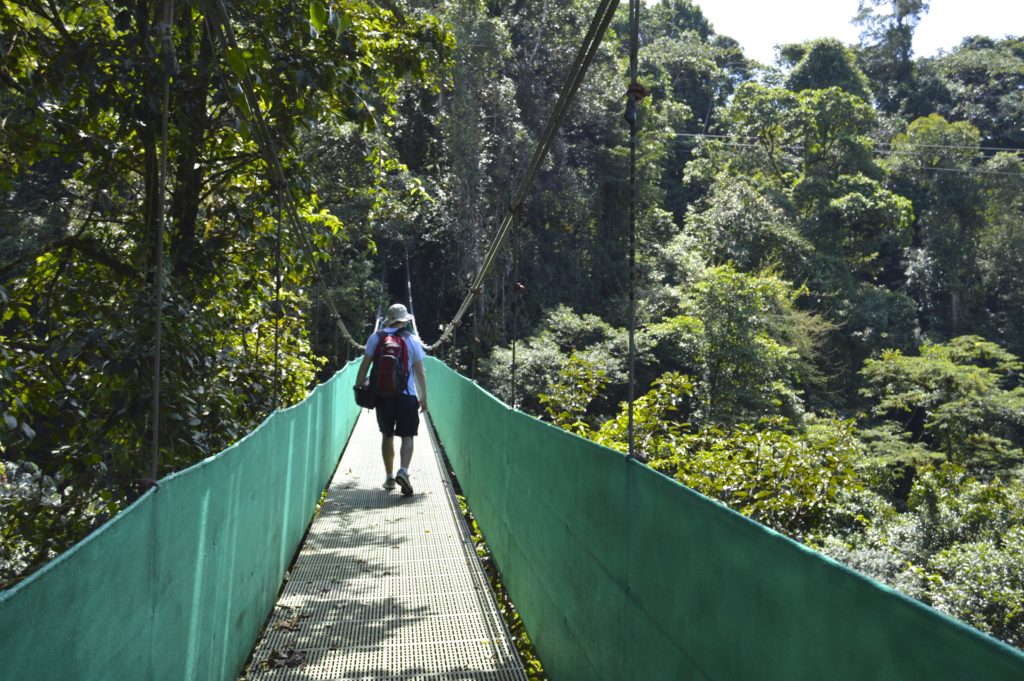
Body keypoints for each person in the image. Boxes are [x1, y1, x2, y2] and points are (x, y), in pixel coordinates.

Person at [354, 303, 428, 496]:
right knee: (407, 435)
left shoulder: (375, 337)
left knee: (387, 435)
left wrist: (358, 388)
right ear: (404, 321)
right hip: (407, 396)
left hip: (383, 396)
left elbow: (364, 366)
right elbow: (420, 372)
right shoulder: (412, 339)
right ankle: (403, 471)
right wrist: (424, 398)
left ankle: (388, 478)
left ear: (389, 318)